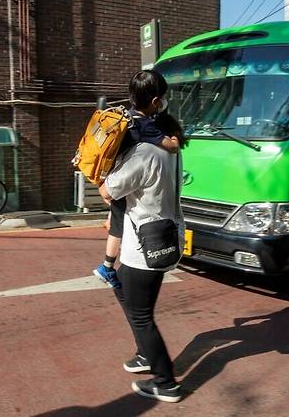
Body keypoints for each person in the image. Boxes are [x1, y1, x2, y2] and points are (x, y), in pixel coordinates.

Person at [98, 70, 187, 403]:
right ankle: (144, 353)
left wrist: (94, 165)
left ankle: (166, 382)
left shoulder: (143, 154)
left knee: (141, 314)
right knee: (125, 289)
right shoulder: (172, 146)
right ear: (157, 102)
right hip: (169, 234)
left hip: (145, 245)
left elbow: (108, 192)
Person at [93, 70, 180, 288]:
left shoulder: (126, 118)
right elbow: (170, 147)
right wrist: (175, 139)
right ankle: (107, 266)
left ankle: (107, 263)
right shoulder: (146, 126)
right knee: (117, 227)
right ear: (156, 101)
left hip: (114, 176)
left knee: (115, 220)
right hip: (125, 185)